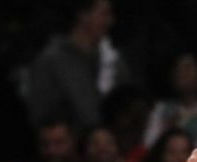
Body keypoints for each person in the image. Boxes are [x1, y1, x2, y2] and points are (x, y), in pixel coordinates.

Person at [23, 0, 127, 130]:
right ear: (83, 15)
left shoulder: (113, 62)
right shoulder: (50, 62)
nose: (110, 21)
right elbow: (39, 116)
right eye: (104, 14)